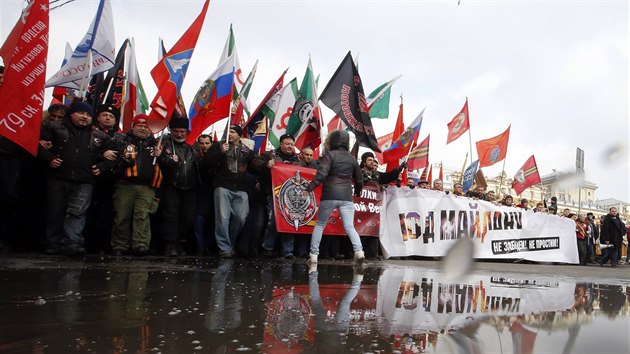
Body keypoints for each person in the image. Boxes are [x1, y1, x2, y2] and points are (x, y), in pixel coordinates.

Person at [38, 102, 106, 256]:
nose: (84, 117)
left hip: (84, 180)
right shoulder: (54, 127)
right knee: (55, 211)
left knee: (77, 212)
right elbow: (37, 145)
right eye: (81, 113)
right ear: (72, 114)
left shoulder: (98, 135)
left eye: (88, 115)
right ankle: (53, 244)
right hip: (58, 177)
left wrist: (103, 167)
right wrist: (48, 158)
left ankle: (72, 243)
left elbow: (115, 153)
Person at [304, 130, 364, 265]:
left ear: (332, 141)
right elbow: (359, 180)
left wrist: (309, 189)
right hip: (347, 197)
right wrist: (358, 193)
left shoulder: (329, 155)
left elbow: (321, 175)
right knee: (349, 226)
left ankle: (313, 255)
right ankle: (359, 252)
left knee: (319, 225)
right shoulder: (352, 158)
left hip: (329, 195)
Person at [109, 115, 163, 256]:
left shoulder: (156, 144)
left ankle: (140, 245)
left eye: (146, 126)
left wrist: (162, 155)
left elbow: (168, 165)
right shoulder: (122, 141)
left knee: (142, 216)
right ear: (133, 127)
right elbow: (112, 161)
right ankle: (120, 245)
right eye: (139, 125)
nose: (143, 128)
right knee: (122, 216)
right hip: (124, 185)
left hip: (147, 187)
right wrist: (123, 161)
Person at [205, 125, 255, 258]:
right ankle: (224, 248)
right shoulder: (218, 146)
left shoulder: (246, 150)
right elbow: (206, 162)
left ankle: (230, 243)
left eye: (233, 132)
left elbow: (255, 166)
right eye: (228, 131)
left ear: (239, 135)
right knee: (223, 218)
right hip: (222, 186)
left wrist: (266, 164)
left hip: (241, 188)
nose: (230, 134)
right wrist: (220, 153)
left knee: (241, 217)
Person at [254, 133, 303, 259]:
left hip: (291, 197)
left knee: (290, 221)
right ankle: (268, 248)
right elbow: (255, 164)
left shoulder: (298, 160)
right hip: (272, 193)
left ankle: (288, 251)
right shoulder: (269, 155)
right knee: (274, 221)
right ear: (280, 144)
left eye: (291, 144)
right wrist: (266, 165)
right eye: (287, 144)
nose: (289, 146)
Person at [159, 117, 200, 256]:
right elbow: (159, 161)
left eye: (182, 131)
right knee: (171, 216)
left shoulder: (194, 144)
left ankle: (181, 242)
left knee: (188, 218)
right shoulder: (164, 143)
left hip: (191, 187)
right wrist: (166, 158)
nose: (179, 134)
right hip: (171, 185)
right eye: (176, 131)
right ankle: (170, 245)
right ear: (171, 130)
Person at [194, 134, 215, 256]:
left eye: (207, 143)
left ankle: (208, 246)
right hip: (199, 193)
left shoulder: (216, 157)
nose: (204, 146)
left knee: (211, 222)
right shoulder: (196, 157)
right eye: (201, 143)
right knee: (199, 222)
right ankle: (199, 247)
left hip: (212, 192)